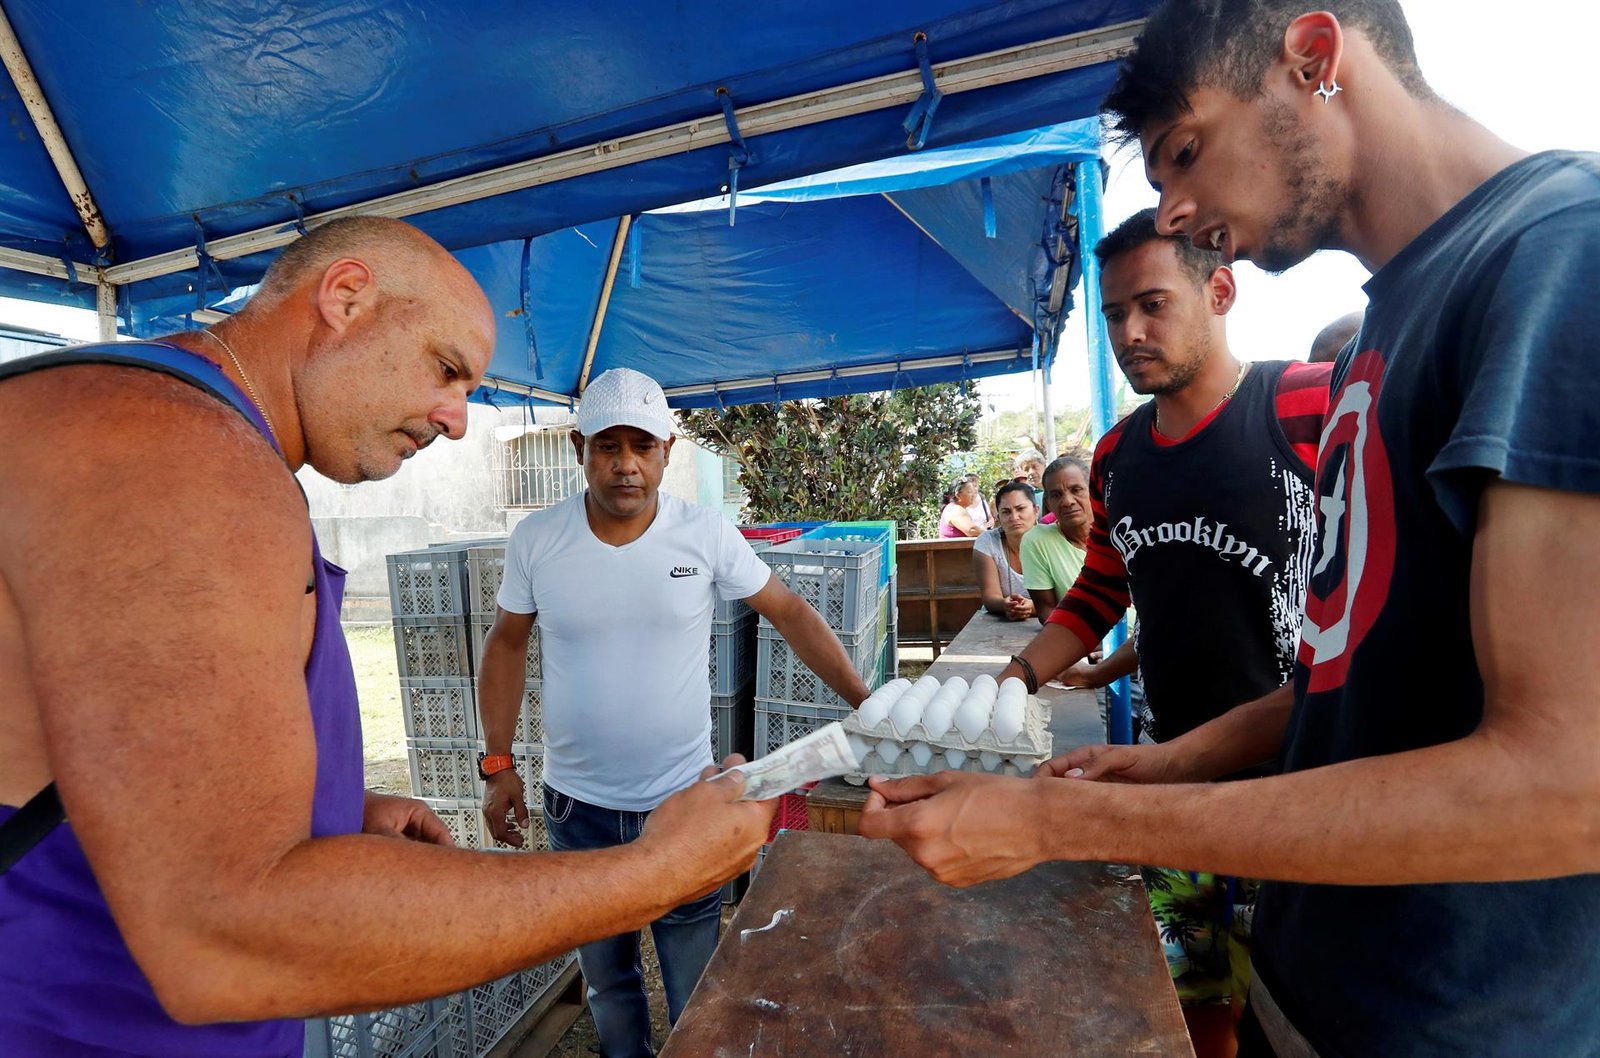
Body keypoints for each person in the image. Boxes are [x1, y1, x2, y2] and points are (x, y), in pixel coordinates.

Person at [859, 4, 1600, 1057]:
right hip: (1316, 981)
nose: (1176, 204)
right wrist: (1174, 761)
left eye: (1185, 150)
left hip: (1463, 1021)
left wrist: (1063, 821)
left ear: (1313, 58)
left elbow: (1569, 786)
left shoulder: (1561, 256)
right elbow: (1350, 677)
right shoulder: (1388, 328)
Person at [0, 217, 775, 1057]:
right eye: (446, 369)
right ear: (346, 298)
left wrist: (334, 809)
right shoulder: (176, 453)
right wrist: (657, 873)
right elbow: (220, 931)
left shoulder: (178, 428)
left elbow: (125, 770)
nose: (458, 421)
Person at [477, 367, 871, 1058]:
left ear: (667, 450)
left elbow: (790, 611)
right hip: (579, 809)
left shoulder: (705, 533)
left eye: (642, 446)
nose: (625, 464)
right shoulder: (538, 539)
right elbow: (506, 643)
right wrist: (498, 762)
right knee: (608, 984)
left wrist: (868, 705)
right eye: (607, 446)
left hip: (685, 802)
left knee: (695, 986)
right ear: (578, 448)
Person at [1025, 207, 1340, 1055]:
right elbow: (1102, 587)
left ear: (1221, 292)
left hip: (1301, 779)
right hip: (1167, 780)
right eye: (1114, 314)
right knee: (1189, 994)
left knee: (1292, 1007)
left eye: (1152, 305)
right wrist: (1016, 677)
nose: (1130, 332)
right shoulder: (1116, 456)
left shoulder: (1308, 404)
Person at [1019, 455, 1092, 623]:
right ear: (1048, 503)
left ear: (1094, 490)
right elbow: (1047, 612)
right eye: (1056, 495)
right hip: (1082, 635)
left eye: (1076, 490)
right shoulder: (1037, 541)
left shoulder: (1121, 530)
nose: (1067, 501)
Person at [973, 481, 1039, 621]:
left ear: (1036, 510)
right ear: (998, 516)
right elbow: (990, 596)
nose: (1014, 517)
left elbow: (1063, 597)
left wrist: (1033, 607)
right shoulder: (988, 542)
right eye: (1006, 512)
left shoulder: (1052, 539)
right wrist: (1006, 605)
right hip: (999, 622)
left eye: (1020, 509)